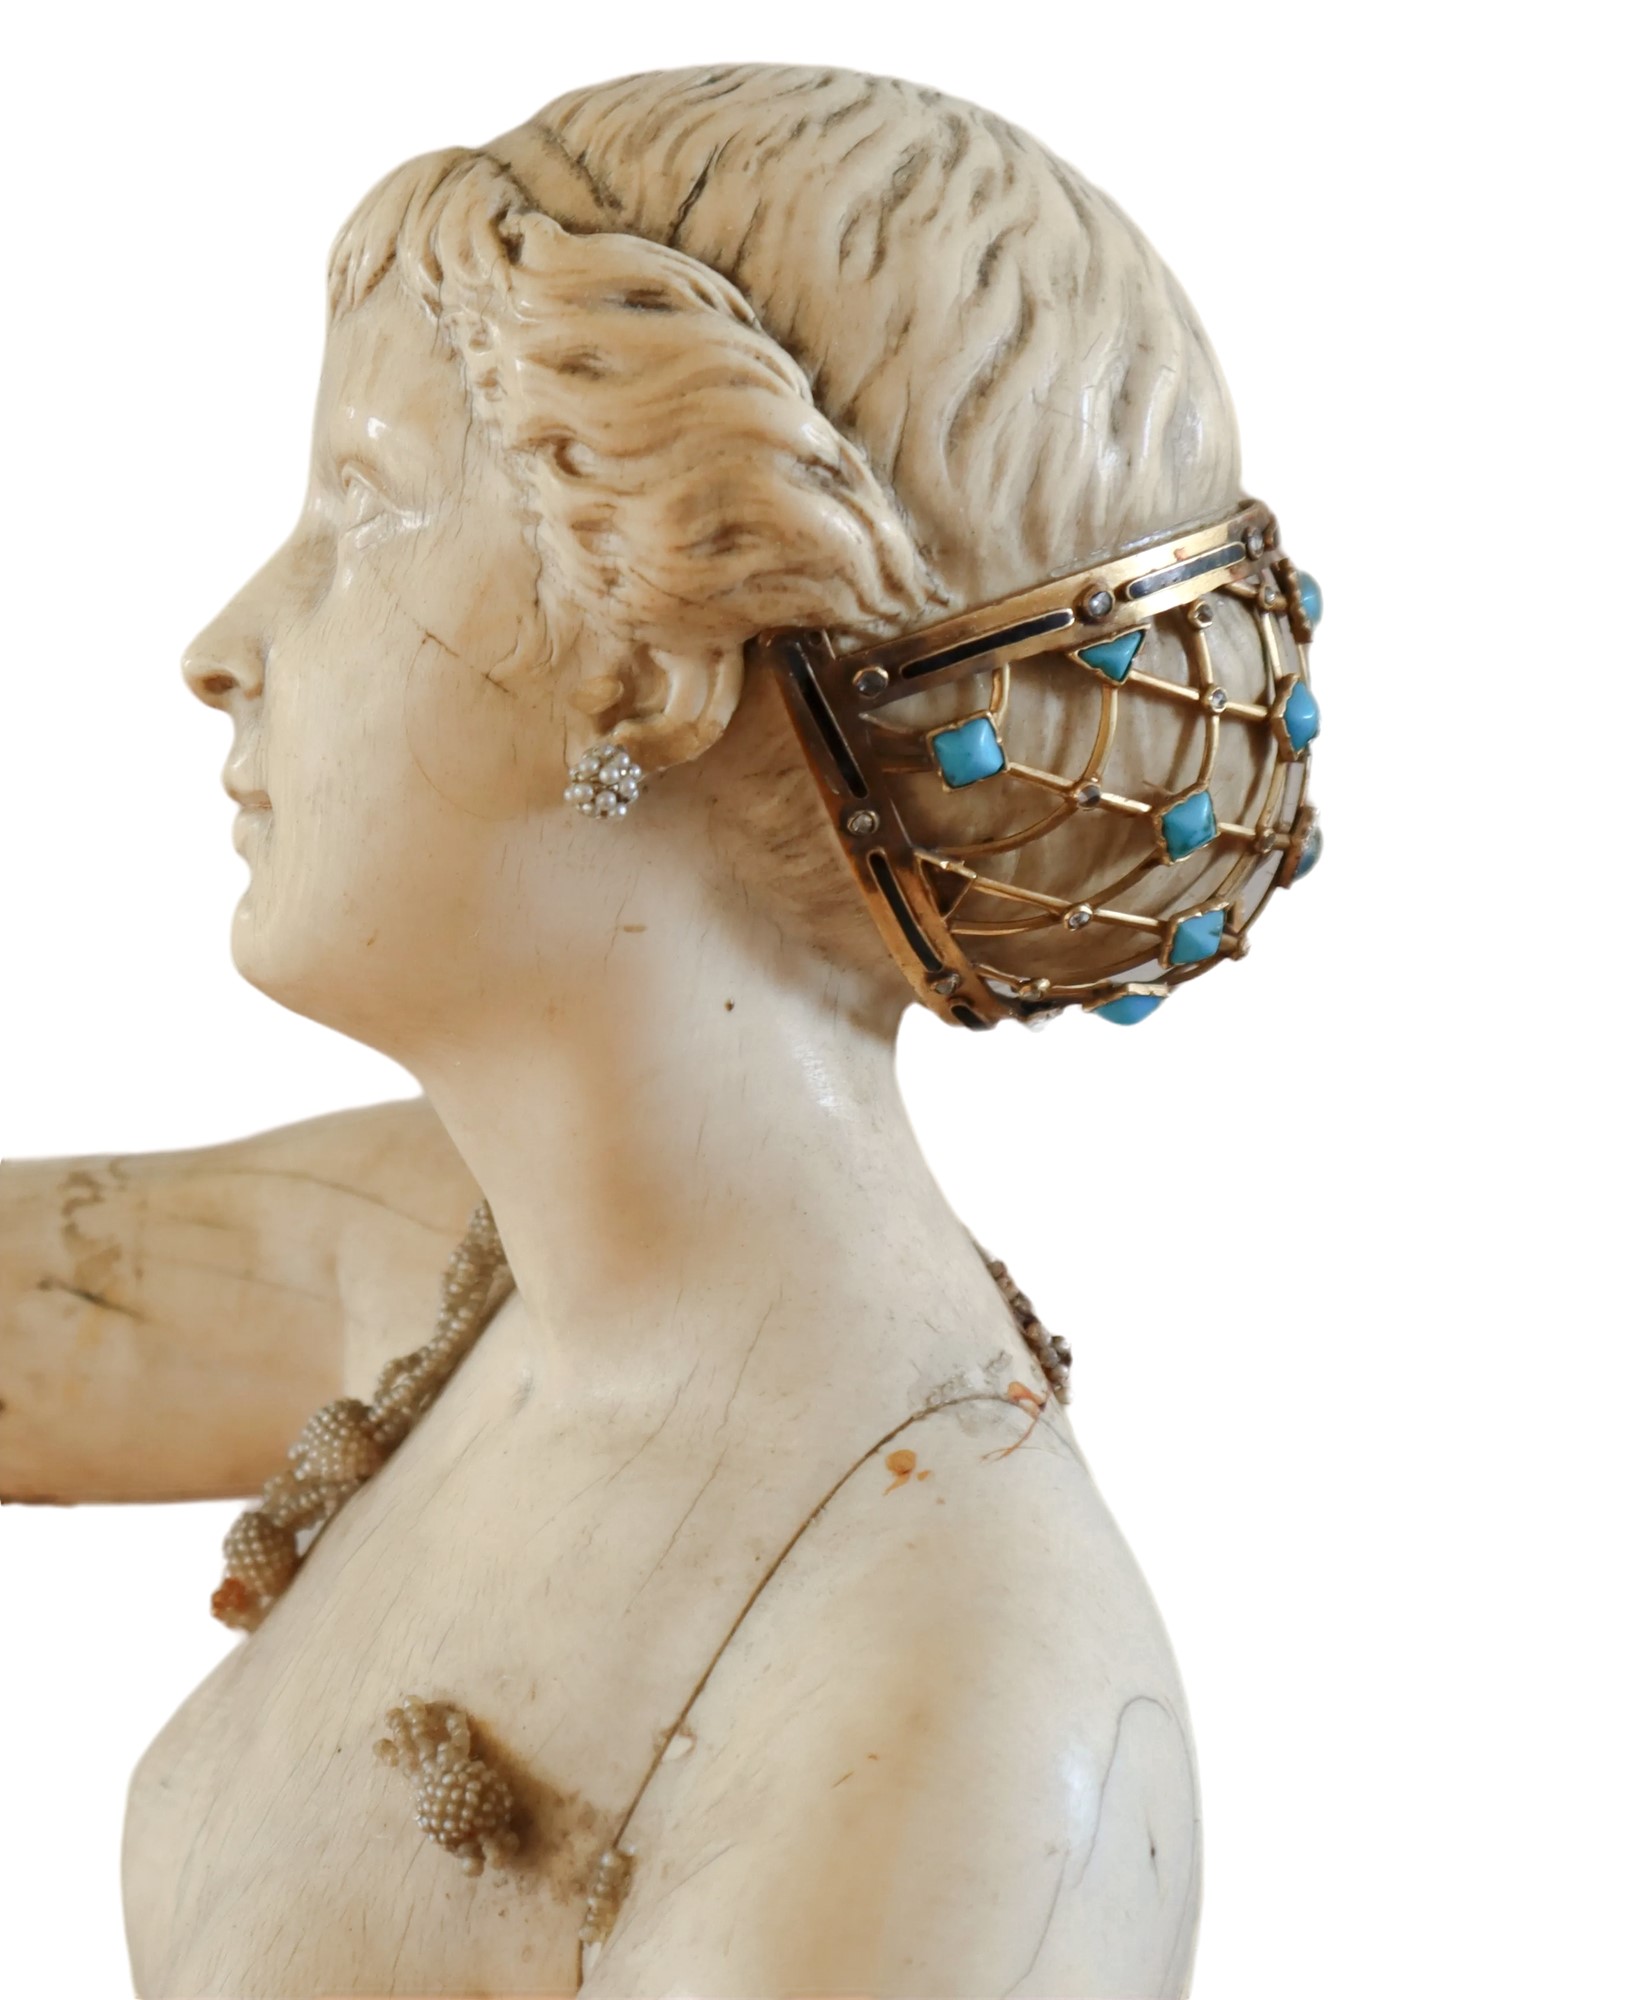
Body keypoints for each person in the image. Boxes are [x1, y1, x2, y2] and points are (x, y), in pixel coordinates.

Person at [1, 64, 1320, 1996]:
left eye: (362, 505)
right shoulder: (477, 1264)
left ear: (662, 653)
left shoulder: (944, 1726)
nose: (226, 644)